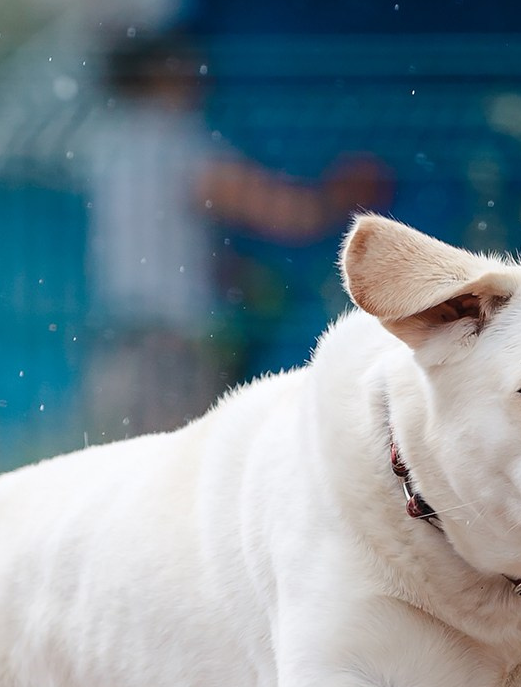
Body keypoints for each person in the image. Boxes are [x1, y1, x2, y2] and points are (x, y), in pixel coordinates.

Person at [77, 33, 389, 438]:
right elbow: (282, 212)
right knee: (175, 460)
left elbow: (158, 238)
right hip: (172, 340)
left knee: (129, 461)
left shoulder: (111, 145)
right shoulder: (176, 144)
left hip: (120, 330)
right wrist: (339, 197)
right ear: (160, 75)